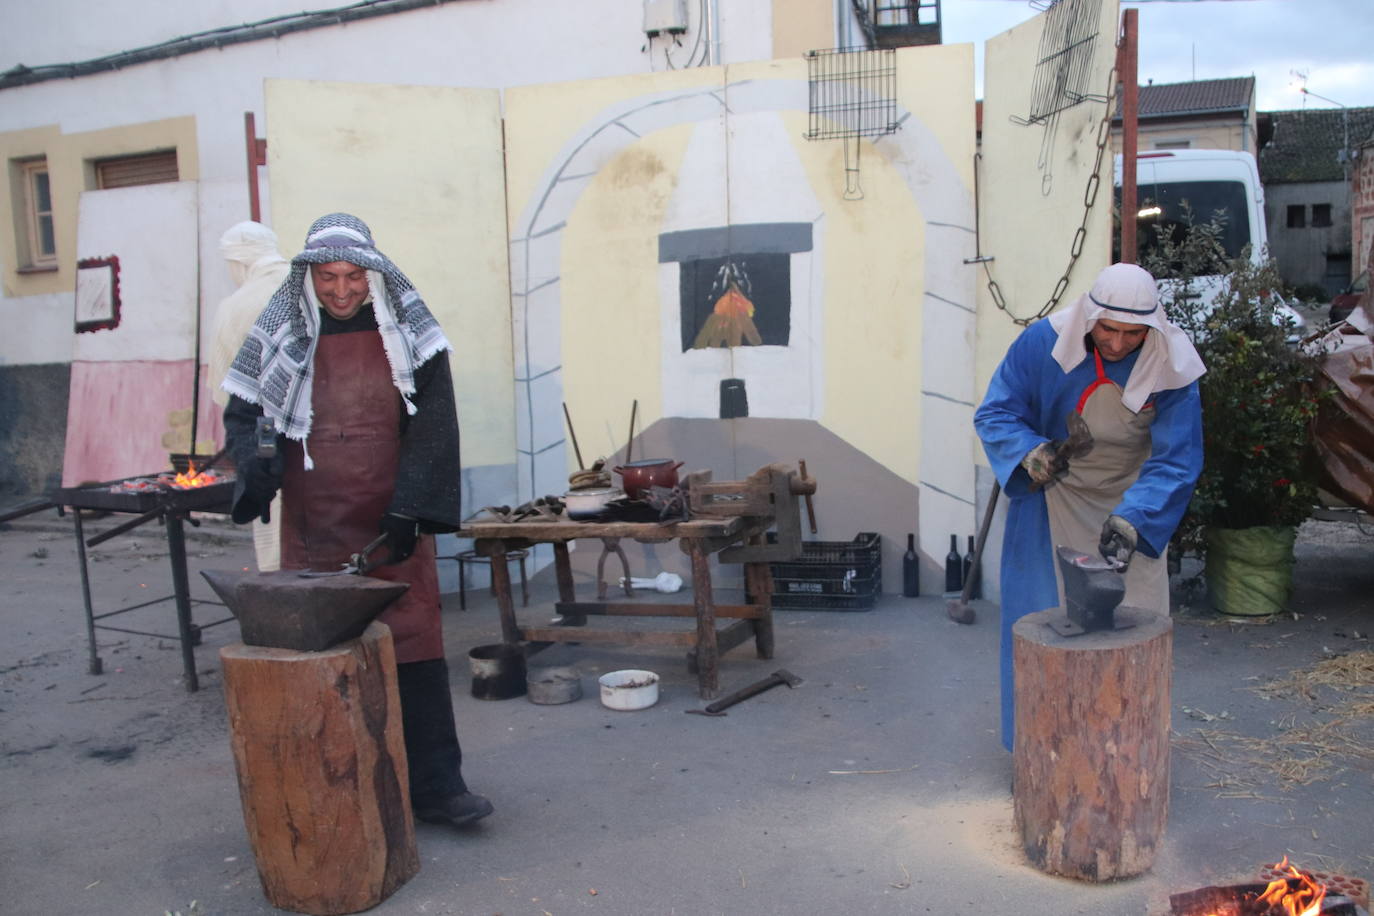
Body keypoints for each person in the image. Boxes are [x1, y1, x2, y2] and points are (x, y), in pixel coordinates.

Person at [220, 212, 493, 828]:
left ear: (375, 276)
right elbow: (248, 414)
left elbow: (435, 424)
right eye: (327, 278)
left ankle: (436, 787)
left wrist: (410, 508)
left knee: (415, 650)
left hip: (391, 519)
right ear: (308, 277)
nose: (341, 290)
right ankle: (341, 788)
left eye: (353, 277)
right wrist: (257, 471)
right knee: (328, 662)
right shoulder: (281, 334)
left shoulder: (410, 337)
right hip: (316, 525)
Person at [974, 262, 1205, 752]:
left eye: (1132, 333)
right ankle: (1039, 754)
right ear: (1090, 317)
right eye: (1108, 329)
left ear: (1152, 328)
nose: (1118, 344)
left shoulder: (1173, 363)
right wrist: (1028, 452)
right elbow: (997, 411)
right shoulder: (1042, 344)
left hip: (1133, 501)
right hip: (1054, 497)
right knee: (1042, 628)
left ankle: (1126, 756)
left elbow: (1178, 457)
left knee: (1134, 632)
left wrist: (1136, 517)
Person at [207, 221, 289, 572]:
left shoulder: (235, 306)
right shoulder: (313, 285)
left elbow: (225, 390)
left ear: (238, 262)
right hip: (328, 432)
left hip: (267, 431)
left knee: (276, 521)